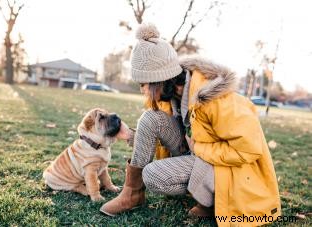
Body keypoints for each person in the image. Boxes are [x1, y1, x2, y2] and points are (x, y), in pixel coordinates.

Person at [100, 23, 281, 226]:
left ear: (157, 80)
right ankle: (132, 194)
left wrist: (199, 148)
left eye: (143, 84)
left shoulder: (216, 99)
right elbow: (166, 132)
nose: (141, 89)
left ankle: (213, 202)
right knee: (149, 118)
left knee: (152, 175)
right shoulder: (172, 94)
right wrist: (132, 136)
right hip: (197, 155)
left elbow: (249, 151)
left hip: (231, 171)